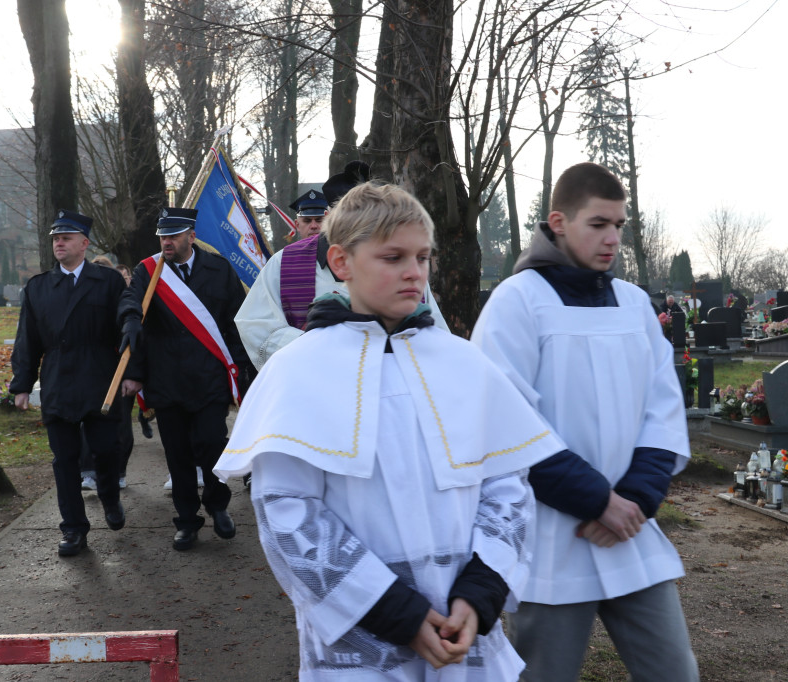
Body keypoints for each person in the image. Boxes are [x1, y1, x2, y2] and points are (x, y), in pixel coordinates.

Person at [215, 183, 565, 680]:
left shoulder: (464, 364)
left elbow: (507, 483)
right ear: (341, 262)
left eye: (423, 257)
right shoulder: (298, 371)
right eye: (393, 256)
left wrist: (482, 592)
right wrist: (395, 613)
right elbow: (288, 511)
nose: (414, 272)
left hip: (465, 635)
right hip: (365, 641)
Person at [470, 162, 698, 681]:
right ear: (558, 222)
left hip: (630, 530)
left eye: (619, 225)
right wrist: (597, 501)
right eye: (598, 224)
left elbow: (662, 408)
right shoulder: (517, 303)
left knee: (675, 672)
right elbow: (505, 422)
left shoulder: (634, 303)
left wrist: (635, 499)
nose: (612, 238)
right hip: (554, 538)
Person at [118, 207, 253, 551]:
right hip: (167, 379)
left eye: (174, 236)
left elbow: (236, 324)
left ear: (191, 237)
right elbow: (130, 301)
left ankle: (218, 504)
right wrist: (131, 320)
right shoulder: (148, 271)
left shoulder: (218, 269)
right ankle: (187, 521)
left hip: (208, 378)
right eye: (163, 236)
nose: (167, 242)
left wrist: (241, 373)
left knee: (211, 445)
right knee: (177, 455)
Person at [235, 164, 449, 370]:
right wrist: (318, 348)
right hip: (315, 386)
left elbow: (435, 338)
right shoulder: (285, 264)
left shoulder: (407, 269)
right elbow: (256, 324)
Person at [10, 209, 129, 557]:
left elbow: (125, 325)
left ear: (84, 243)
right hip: (59, 381)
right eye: (55, 238)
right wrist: (21, 384)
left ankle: (110, 496)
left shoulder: (106, 282)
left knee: (106, 451)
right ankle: (74, 530)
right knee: (64, 462)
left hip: (100, 379)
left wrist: (132, 372)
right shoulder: (39, 286)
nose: (58, 243)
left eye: (65, 237)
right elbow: (27, 340)